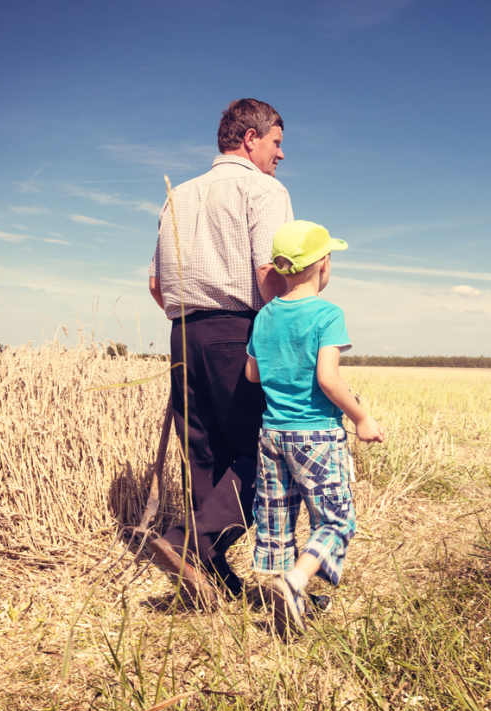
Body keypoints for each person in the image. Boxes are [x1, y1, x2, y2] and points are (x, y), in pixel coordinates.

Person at [146, 98, 292, 608]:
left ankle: (207, 581)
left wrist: (192, 315)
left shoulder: (177, 196)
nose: (280, 155)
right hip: (238, 332)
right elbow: (269, 280)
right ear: (250, 139)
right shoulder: (264, 189)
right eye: (276, 142)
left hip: (182, 334)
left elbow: (155, 284)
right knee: (266, 456)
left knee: (202, 458)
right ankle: (189, 543)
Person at [244, 220, 385, 637]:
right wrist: (361, 417)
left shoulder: (266, 315)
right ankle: (295, 581)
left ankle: (288, 603)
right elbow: (328, 378)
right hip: (316, 435)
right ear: (323, 264)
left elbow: (252, 374)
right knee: (337, 521)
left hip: (271, 434)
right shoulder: (328, 313)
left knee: (278, 521)